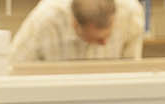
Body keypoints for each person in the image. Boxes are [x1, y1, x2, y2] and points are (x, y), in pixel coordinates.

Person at [9, 0, 145, 64]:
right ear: (75, 24)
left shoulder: (130, 13)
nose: (104, 43)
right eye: (97, 39)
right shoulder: (44, 19)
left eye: (108, 35)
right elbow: (13, 67)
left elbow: (132, 68)